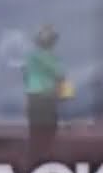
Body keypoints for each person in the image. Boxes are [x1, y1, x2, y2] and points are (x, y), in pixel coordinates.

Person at [21, 25, 68, 159]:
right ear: (51, 42)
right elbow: (61, 76)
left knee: (35, 130)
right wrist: (65, 96)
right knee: (49, 129)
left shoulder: (30, 58)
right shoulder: (51, 58)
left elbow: (26, 78)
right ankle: (44, 155)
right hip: (47, 98)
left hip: (33, 98)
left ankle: (34, 156)